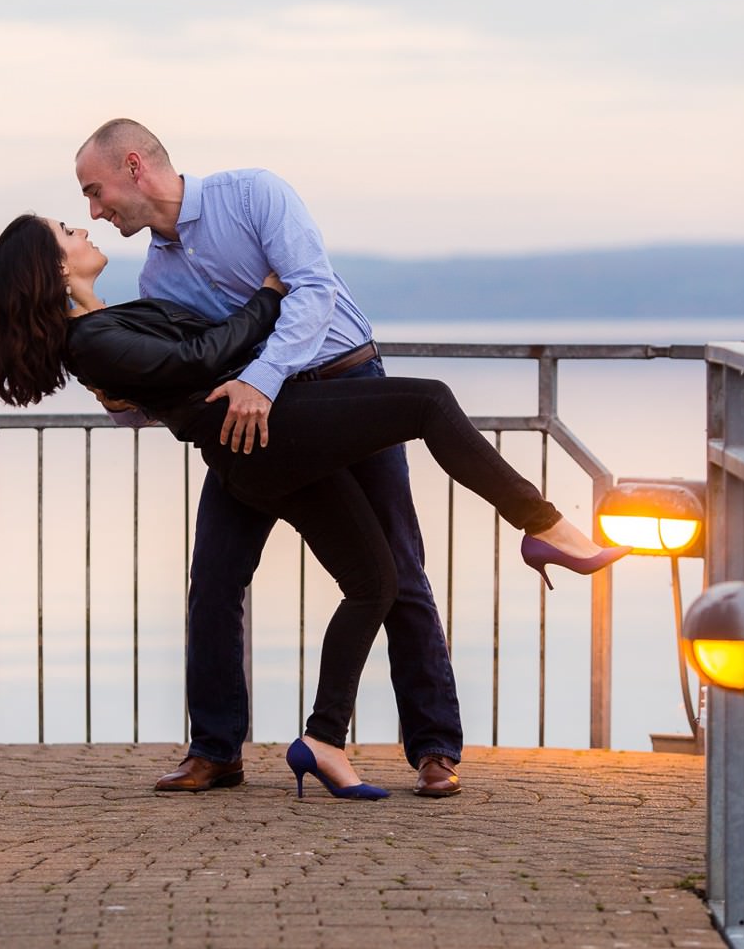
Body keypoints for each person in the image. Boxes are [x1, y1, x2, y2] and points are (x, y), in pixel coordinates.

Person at [0, 214, 627, 799]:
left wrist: (148, 388)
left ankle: (321, 740)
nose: (85, 223)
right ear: (55, 267)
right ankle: (542, 525)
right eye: (67, 227)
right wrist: (269, 293)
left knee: (375, 582)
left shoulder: (107, 323)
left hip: (268, 441)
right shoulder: (90, 340)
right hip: (271, 438)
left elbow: (177, 369)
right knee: (426, 403)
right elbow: (202, 357)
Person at [73, 119, 468, 798]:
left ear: (134, 166)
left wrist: (263, 376)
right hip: (255, 425)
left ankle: (432, 746)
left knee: (398, 570)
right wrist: (123, 403)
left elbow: (310, 289)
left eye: (96, 191)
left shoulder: (253, 195)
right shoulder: (157, 276)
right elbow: (194, 369)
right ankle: (216, 750)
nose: (94, 211)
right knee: (214, 580)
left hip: (344, 387)